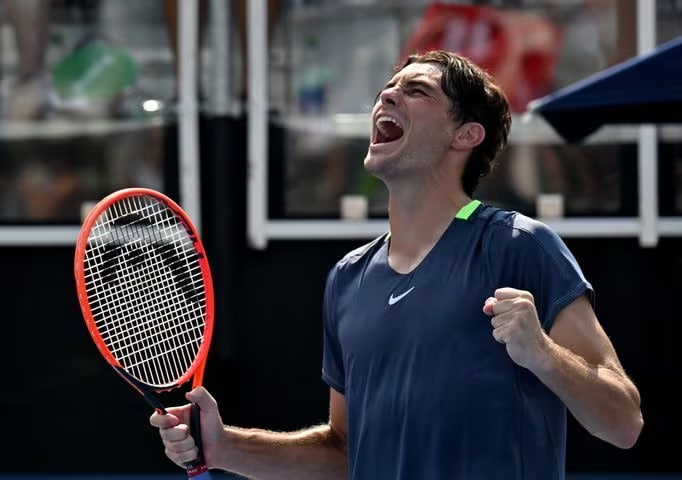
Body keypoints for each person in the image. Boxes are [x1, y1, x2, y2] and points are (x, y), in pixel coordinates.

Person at [150, 50, 643, 479]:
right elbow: (345, 454)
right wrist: (226, 447)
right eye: (387, 89)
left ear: (466, 134)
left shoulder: (520, 246)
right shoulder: (348, 278)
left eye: (417, 91)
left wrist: (542, 354)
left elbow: (624, 423)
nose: (387, 98)